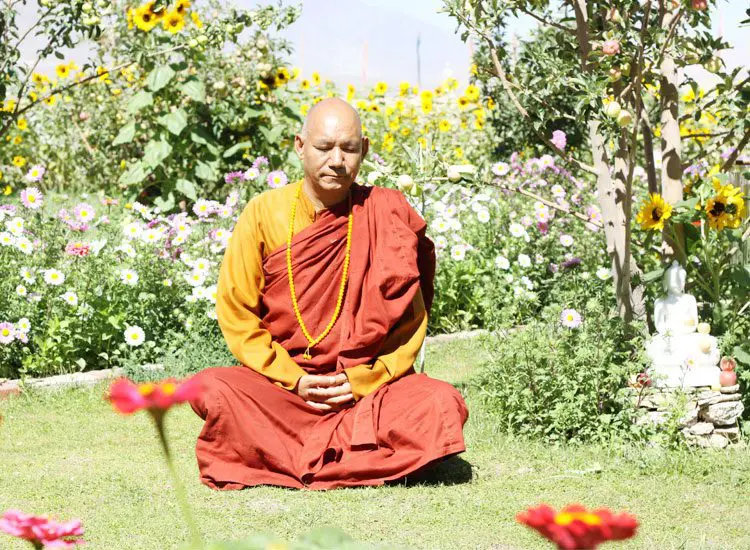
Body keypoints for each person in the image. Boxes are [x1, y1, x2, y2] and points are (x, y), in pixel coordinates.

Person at [189, 97, 468, 490]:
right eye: (324, 147)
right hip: (284, 393)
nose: (337, 160)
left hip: (369, 394)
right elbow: (238, 312)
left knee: (441, 402)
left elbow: (411, 320)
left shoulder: (386, 211)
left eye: (348, 149)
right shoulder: (264, 212)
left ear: (364, 150)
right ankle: (368, 459)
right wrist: (295, 380)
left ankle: (282, 455)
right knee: (211, 387)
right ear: (300, 145)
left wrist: (361, 380)